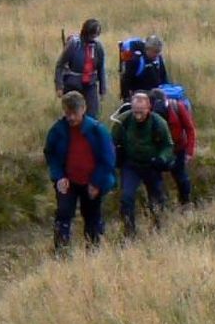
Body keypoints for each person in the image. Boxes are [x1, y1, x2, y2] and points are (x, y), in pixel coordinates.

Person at [44, 90, 114, 253]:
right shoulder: (58, 130)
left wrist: (96, 183)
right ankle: (61, 251)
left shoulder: (97, 130)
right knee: (63, 214)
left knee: (92, 217)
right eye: (68, 113)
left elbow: (108, 160)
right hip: (68, 181)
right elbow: (50, 154)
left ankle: (93, 251)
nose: (71, 118)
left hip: (91, 182)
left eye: (74, 113)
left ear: (83, 109)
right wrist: (59, 176)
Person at [110, 90, 176, 237]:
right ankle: (129, 232)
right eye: (135, 111)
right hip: (131, 165)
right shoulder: (123, 121)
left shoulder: (159, 123)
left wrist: (162, 159)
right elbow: (111, 143)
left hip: (151, 166)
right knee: (126, 198)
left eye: (141, 111)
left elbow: (168, 146)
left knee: (157, 199)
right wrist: (113, 160)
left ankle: (159, 229)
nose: (137, 114)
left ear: (148, 108)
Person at [149, 86, 198, 206]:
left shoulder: (177, 107)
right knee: (154, 181)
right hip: (158, 150)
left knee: (181, 179)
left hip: (178, 149)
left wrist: (189, 151)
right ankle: (160, 206)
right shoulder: (148, 112)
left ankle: (185, 204)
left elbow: (190, 129)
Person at [53, 18, 107, 120]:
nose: (94, 37)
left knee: (92, 115)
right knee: (73, 113)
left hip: (90, 84)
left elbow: (101, 68)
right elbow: (60, 65)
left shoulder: (98, 47)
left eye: (96, 34)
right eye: (92, 34)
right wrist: (59, 86)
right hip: (72, 84)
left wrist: (102, 89)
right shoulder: (74, 44)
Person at [119, 34, 172, 100]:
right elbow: (126, 79)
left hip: (157, 94)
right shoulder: (136, 60)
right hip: (140, 96)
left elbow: (164, 78)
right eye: (155, 52)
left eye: (159, 52)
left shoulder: (158, 59)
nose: (157, 55)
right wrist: (127, 97)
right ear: (147, 49)